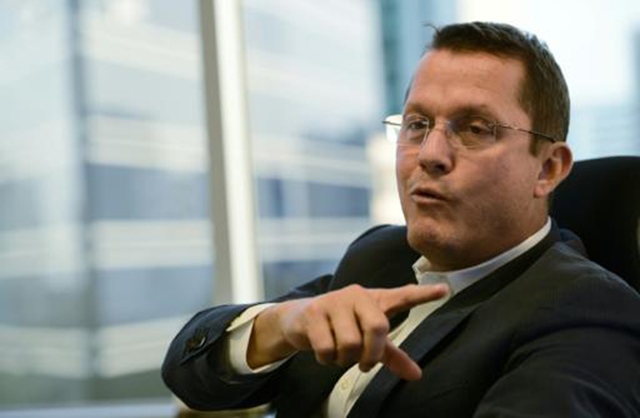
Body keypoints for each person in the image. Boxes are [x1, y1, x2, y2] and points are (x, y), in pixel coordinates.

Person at [162, 22, 640, 417]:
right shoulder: (379, 255)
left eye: (475, 129)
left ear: (548, 168)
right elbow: (188, 372)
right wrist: (283, 324)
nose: (429, 154)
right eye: (416, 125)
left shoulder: (591, 313)